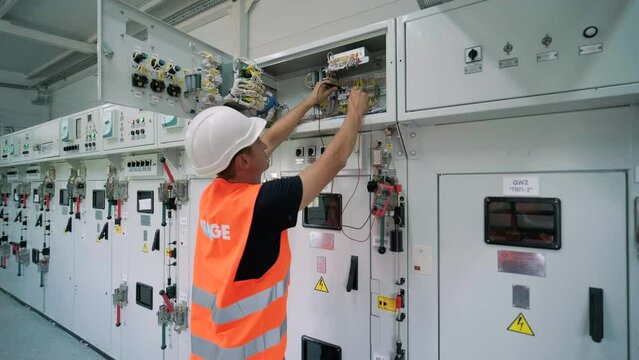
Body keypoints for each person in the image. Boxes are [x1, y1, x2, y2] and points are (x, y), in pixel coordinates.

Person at [185, 80, 368, 360]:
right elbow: (336, 158)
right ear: (243, 161)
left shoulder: (213, 194)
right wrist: (355, 110)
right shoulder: (262, 203)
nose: (263, 141)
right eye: (254, 141)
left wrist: (309, 103)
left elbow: (269, 141)